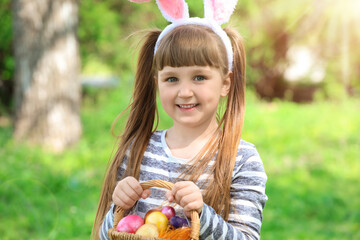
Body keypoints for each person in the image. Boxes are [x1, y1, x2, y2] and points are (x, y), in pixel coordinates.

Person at [92, 0, 267, 239]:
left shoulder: (242, 160)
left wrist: (202, 215)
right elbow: (106, 235)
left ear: (225, 83)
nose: (184, 92)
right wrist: (118, 208)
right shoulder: (137, 150)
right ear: (157, 83)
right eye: (172, 79)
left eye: (199, 77)